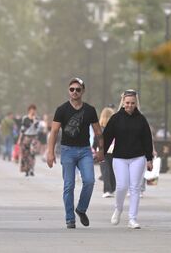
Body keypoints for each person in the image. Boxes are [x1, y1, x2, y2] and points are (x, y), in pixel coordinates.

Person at [46, 77, 104, 229]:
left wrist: (101, 150)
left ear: (82, 91)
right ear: (68, 91)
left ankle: (81, 209)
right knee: (69, 185)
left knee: (90, 181)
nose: (75, 92)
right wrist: (50, 153)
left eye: (78, 89)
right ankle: (70, 218)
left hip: (85, 151)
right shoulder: (62, 109)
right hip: (67, 151)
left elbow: (98, 132)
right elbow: (54, 132)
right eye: (72, 89)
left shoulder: (90, 110)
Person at [103, 89, 153, 229]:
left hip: (138, 157)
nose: (130, 105)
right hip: (119, 158)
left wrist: (149, 159)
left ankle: (132, 218)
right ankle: (118, 209)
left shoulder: (141, 119)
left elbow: (147, 140)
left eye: (132, 103)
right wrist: (101, 153)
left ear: (136, 103)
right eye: (127, 103)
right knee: (122, 186)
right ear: (123, 103)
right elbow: (107, 137)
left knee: (135, 188)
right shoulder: (115, 119)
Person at [98, 107, 116, 198]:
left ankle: (108, 190)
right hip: (113, 151)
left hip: (103, 151)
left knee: (106, 171)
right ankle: (109, 189)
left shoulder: (100, 128)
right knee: (111, 170)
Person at [18, 104, 39, 177]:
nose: (33, 111)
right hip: (26, 137)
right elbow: (22, 129)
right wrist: (19, 139)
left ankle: (31, 169)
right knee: (25, 154)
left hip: (34, 137)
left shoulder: (36, 118)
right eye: (31, 109)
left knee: (32, 154)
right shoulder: (25, 118)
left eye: (34, 109)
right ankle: (26, 169)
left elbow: (37, 127)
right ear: (29, 110)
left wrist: (34, 119)